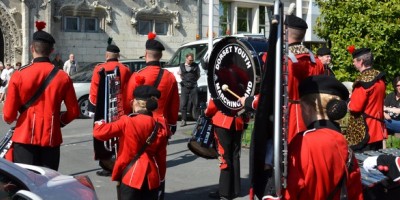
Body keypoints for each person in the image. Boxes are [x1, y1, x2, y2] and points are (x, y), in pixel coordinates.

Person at [264, 75, 363, 200]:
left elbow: (287, 194)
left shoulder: (303, 142)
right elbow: (356, 194)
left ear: (305, 107)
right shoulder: (344, 144)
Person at [2, 21, 79, 170]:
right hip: (51, 139)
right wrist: (59, 122)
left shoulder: (19, 74)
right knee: (46, 187)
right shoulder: (63, 77)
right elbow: (74, 112)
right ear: (51, 51)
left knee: (25, 187)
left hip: (24, 139)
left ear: (32, 49)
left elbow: (8, 116)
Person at [93, 85, 168, 200]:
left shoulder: (127, 121)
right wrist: (161, 177)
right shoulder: (160, 125)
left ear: (136, 103)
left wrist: (101, 120)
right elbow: (161, 157)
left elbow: (99, 132)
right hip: (153, 176)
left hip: (131, 175)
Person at [88, 44, 132, 177]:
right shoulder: (125, 69)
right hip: (120, 110)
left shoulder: (99, 68)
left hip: (103, 111)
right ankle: (120, 163)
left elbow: (94, 91)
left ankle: (107, 165)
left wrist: (92, 109)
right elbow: (128, 90)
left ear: (107, 55)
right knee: (120, 138)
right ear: (118, 56)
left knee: (103, 138)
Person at [125, 32, 179, 138]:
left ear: (146, 54)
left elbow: (129, 101)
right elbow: (174, 104)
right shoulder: (170, 77)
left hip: (139, 123)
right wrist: (172, 123)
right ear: (161, 56)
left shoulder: (137, 75)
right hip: (161, 124)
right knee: (159, 154)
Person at [285, 15, 326, 144]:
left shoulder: (283, 60)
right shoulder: (316, 61)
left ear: (286, 32)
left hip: (289, 115)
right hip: (313, 114)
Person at [205, 98, 246, 200]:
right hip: (238, 122)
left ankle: (224, 193)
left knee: (224, 156)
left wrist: (207, 113)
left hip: (223, 122)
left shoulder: (222, 84)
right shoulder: (242, 87)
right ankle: (235, 190)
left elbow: (212, 106)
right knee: (235, 156)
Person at [346, 47, 386, 152]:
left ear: (361, 62)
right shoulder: (379, 79)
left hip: (365, 131)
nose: (353, 64)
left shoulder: (362, 82)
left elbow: (355, 108)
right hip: (378, 129)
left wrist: (348, 103)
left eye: (354, 61)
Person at [178, 52, 200, 127]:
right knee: (183, 104)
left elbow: (198, 75)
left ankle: (197, 119)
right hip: (184, 87)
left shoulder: (196, 66)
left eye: (192, 60)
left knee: (196, 103)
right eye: (190, 60)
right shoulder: (181, 66)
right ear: (186, 58)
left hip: (193, 86)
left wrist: (192, 81)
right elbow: (180, 75)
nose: (191, 61)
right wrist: (185, 81)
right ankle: (183, 120)